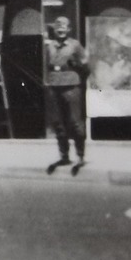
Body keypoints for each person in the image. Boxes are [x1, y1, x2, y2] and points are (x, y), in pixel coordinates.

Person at [43, 16, 89, 176]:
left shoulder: (75, 45)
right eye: (58, 28)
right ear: (55, 30)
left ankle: (80, 156)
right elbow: (46, 66)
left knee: (75, 122)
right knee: (58, 124)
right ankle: (64, 156)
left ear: (69, 30)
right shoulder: (50, 46)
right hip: (54, 86)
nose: (61, 30)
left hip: (71, 87)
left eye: (64, 28)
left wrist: (77, 76)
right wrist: (48, 84)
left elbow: (86, 65)